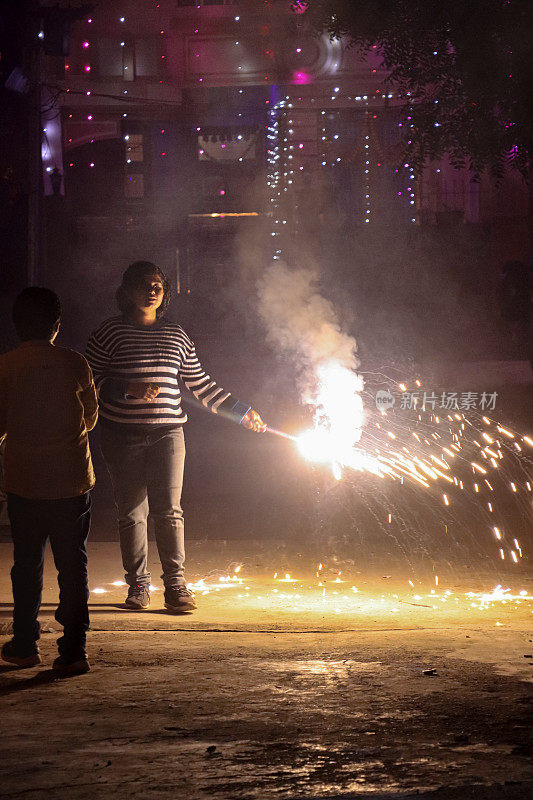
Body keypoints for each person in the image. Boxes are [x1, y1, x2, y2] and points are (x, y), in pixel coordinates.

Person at [86, 261, 265, 613]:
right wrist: (127, 389)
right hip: (122, 435)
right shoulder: (109, 333)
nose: (152, 290)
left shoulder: (176, 335)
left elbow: (201, 386)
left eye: (158, 285)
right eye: (144, 284)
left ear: (165, 292)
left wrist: (241, 411)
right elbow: (86, 381)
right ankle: (138, 586)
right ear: (126, 292)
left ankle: (176, 586)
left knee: (169, 511)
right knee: (133, 513)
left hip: (168, 434)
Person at [0, 288, 98, 675]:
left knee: (26, 564)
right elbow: (90, 419)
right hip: (72, 482)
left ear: (16, 325)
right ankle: (74, 650)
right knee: (73, 566)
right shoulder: (75, 364)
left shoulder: (6, 366)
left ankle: (25, 644)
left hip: (25, 484)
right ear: (57, 325)